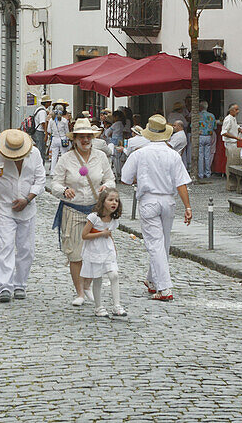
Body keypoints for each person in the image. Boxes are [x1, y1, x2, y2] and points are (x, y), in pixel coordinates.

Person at [120, 115, 193, 302]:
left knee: (155, 244)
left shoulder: (139, 153)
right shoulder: (173, 155)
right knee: (164, 243)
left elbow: (125, 178)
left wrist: (142, 178)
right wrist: (188, 206)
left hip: (149, 200)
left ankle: (165, 287)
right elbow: (182, 183)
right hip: (168, 200)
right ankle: (152, 280)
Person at [50, 117, 117, 306]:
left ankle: (88, 286)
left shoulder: (100, 157)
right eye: (82, 137)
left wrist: (106, 187)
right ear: (75, 139)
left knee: (95, 253)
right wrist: (64, 191)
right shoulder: (66, 159)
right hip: (72, 209)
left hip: (95, 212)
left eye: (89, 137)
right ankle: (79, 292)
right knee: (75, 253)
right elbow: (55, 183)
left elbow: (110, 179)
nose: (86, 140)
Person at [0, 129, 46, 302]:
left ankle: (20, 284)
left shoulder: (34, 154)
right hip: (4, 207)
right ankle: (4, 286)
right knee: (6, 245)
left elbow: (40, 180)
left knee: (26, 248)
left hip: (28, 207)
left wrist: (28, 199)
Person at [81, 188, 126, 318]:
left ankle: (117, 305)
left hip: (107, 250)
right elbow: (84, 235)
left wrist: (113, 248)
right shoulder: (94, 217)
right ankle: (98, 306)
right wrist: (102, 233)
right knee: (97, 278)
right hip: (94, 250)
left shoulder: (113, 219)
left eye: (116, 200)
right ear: (103, 201)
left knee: (114, 275)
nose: (114, 203)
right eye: (110, 200)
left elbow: (109, 235)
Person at [193, 101, 216, 182]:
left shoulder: (197, 116)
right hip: (209, 136)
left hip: (200, 136)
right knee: (207, 155)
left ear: (200, 107)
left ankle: (201, 174)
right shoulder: (212, 116)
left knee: (200, 155)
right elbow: (215, 127)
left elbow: (192, 126)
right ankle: (208, 173)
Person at [47, 101, 72, 174]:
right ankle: (63, 171)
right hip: (63, 138)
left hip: (55, 139)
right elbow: (67, 131)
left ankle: (52, 171)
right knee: (63, 155)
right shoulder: (64, 120)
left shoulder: (51, 120)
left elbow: (48, 130)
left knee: (54, 156)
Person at [221, 102, 242, 170]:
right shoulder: (228, 119)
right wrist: (236, 137)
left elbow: (235, 125)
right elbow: (224, 132)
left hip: (233, 142)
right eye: (236, 110)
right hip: (230, 143)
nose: (238, 111)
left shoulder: (233, 118)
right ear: (231, 111)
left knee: (233, 160)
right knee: (231, 160)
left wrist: (239, 129)